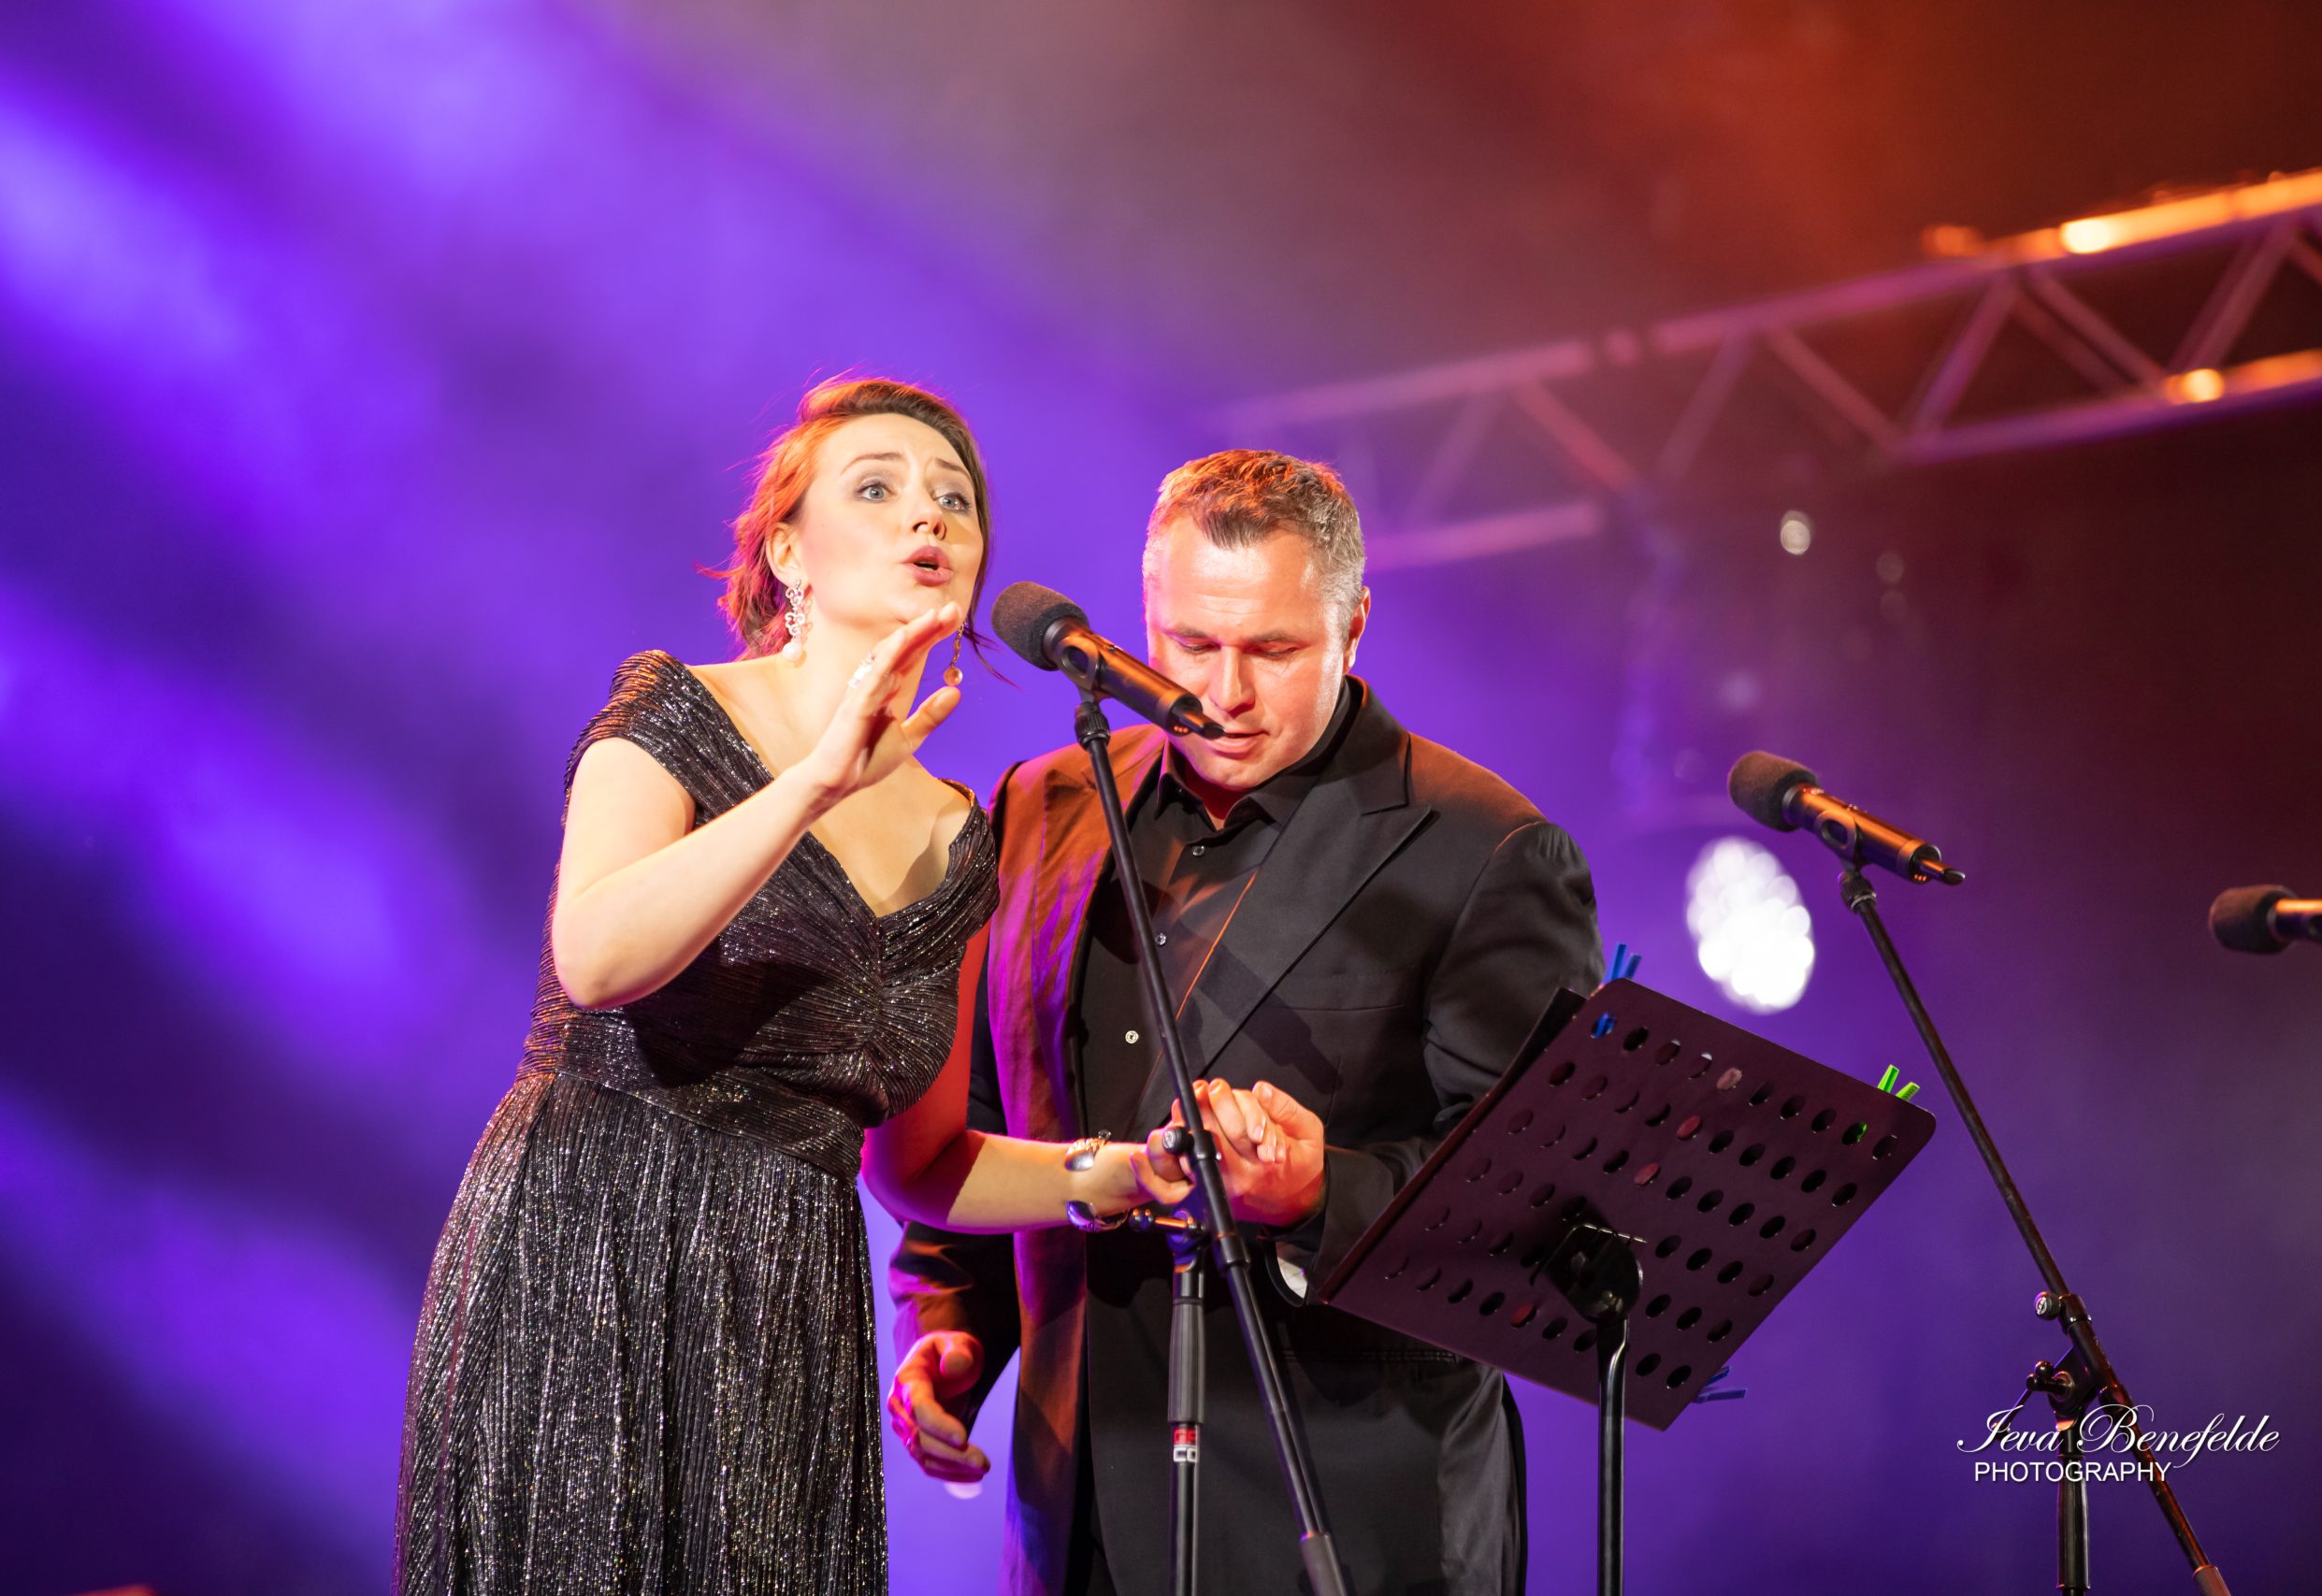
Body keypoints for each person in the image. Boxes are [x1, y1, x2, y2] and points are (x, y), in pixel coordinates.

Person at [393, 379, 1179, 1596]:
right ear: (787, 553)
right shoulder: (674, 710)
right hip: (596, 1241)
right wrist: (812, 784)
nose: (929, 515)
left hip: (785, 1298)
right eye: (877, 488)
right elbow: (596, 958)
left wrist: (1118, 1174)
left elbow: (919, 1163)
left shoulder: (960, 840)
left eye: (955, 500)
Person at [887, 450, 1603, 1595]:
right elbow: (986, 1115)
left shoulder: (1488, 847)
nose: (1224, 693)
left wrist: (1322, 1194)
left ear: (1353, 628)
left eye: (1272, 651)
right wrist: (953, 1325)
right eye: (1189, 645)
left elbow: (1542, 1205)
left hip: (1352, 1518)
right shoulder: (1038, 803)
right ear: (1144, 623)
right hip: (1078, 1512)